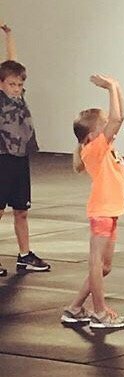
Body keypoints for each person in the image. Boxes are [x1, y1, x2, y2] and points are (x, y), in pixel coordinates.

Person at [61, 74, 124, 329]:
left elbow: (120, 116)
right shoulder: (94, 149)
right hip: (101, 212)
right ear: (92, 135)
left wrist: (117, 86)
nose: (109, 125)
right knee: (96, 263)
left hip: (111, 212)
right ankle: (99, 313)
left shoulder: (102, 147)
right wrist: (111, 87)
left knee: (105, 266)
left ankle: (74, 308)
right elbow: (118, 119)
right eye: (104, 124)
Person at [0, 23, 51, 276]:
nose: (16, 89)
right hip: (2, 158)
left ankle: (24, 255)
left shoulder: (19, 96)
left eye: (19, 85)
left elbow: (13, 63)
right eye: (11, 85)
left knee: (21, 210)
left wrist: (9, 35)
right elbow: (7, 67)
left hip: (20, 158)